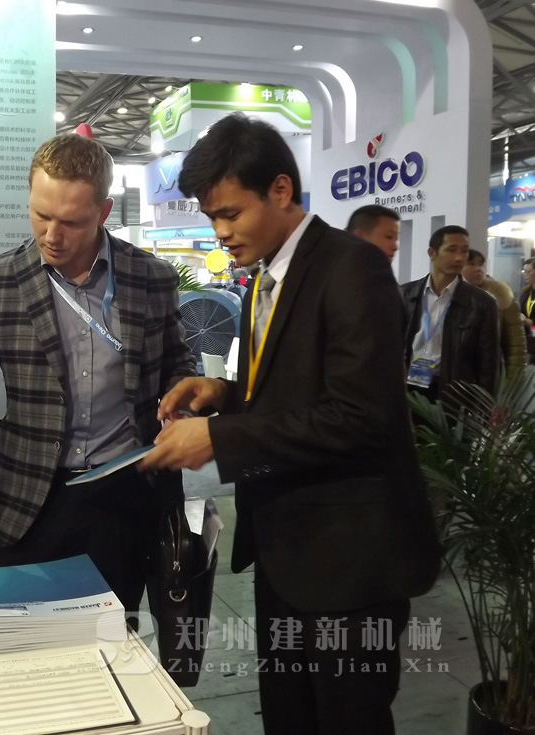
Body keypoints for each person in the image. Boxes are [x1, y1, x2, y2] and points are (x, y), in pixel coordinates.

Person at [138, 113, 439, 735]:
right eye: (211, 217)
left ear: (280, 190)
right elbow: (289, 395)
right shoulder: (264, 280)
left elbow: (361, 417)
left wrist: (217, 438)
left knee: (346, 720)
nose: (220, 232)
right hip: (287, 551)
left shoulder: (352, 268)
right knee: (289, 716)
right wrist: (222, 395)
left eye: (230, 213)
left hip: (350, 563)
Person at [0, 134, 196, 615]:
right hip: (27, 502)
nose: (52, 235)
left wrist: (181, 406)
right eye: (40, 215)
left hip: (123, 501)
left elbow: (177, 363)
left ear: (103, 212)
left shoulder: (149, 278)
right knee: (16, 640)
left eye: (71, 222)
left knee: (112, 640)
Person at [399, 226, 500, 400]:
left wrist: (485, 405)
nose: (459, 257)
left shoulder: (482, 303)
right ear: (432, 253)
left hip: (454, 391)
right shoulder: (405, 294)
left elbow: (489, 362)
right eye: (451, 250)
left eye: (464, 251)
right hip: (407, 385)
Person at [462, 249, 527, 380]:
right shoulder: (447, 296)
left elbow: (516, 346)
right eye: (471, 264)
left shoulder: (501, 296)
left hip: (488, 374)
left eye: (481, 264)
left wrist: (514, 381)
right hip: (451, 374)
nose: (478, 269)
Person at [520, 257, 535, 363]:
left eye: (528, 271)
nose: (525, 274)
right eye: (524, 271)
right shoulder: (525, 293)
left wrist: (530, 321)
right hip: (528, 338)